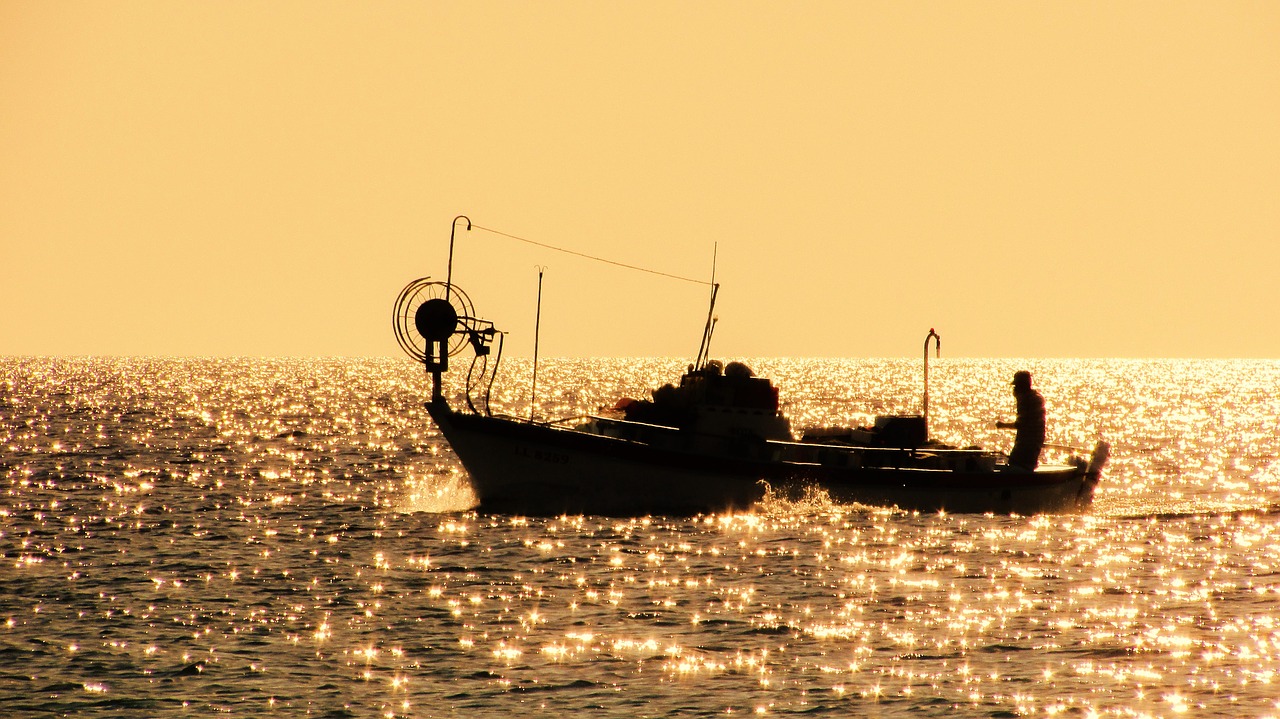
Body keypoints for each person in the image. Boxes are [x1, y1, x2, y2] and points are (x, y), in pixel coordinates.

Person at [996, 370, 1046, 470]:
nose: (1014, 389)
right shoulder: (1035, 397)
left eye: (1016, 386)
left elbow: (1021, 424)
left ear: (1021, 386)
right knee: (1022, 465)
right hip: (1034, 440)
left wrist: (1002, 425)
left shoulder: (1027, 400)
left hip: (1028, 442)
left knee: (1018, 465)